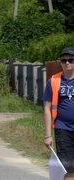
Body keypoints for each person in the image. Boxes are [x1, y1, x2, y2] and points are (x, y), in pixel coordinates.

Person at [43, 47, 74, 180]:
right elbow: (47, 108)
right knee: (67, 168)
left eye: (71, 60)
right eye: (64, 60)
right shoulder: (54, 81)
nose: (67, 63)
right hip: (63, 129)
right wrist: (47, 135)